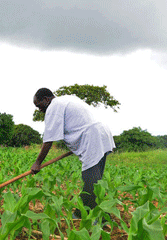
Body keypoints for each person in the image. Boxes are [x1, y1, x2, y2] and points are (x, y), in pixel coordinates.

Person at [30, 88, 115, 218]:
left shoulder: (53, 107)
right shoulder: (67, 99)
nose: (39, 109)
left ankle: (92, 216)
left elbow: (48, 140)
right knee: (95, 181)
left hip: (92, 137)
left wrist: (37, 163)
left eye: (39, 105)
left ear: (46, 99)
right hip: (102, 132)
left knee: (91, 181)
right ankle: (91, 214)